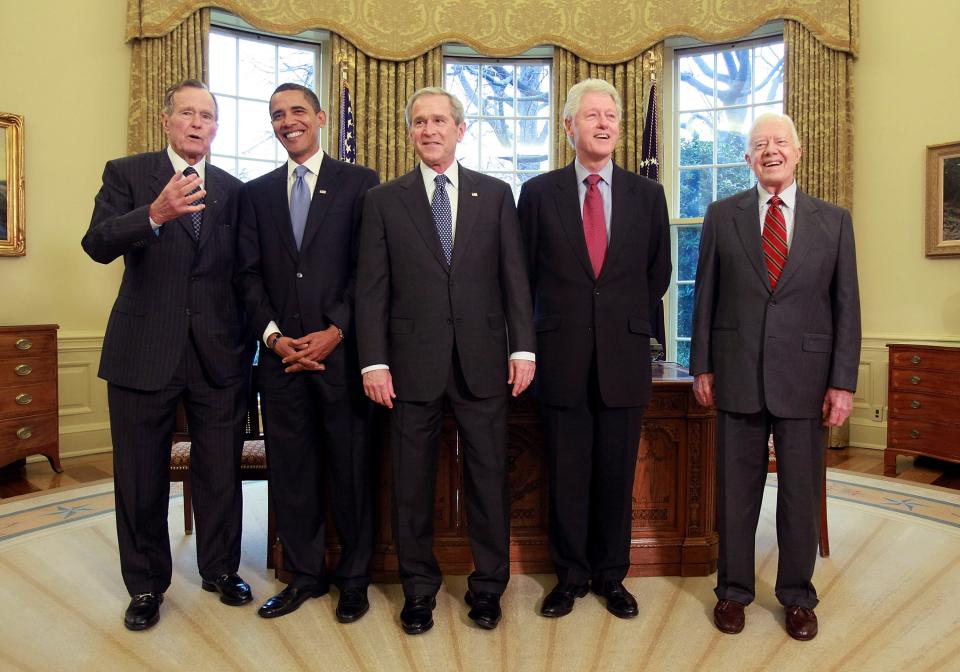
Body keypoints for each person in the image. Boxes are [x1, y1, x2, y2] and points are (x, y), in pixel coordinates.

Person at [355, 87, 536, 635]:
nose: (429, 130)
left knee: (487, 479)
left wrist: (522, 346)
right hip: (410, 364)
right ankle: (418, 590)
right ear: (410, 132)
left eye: (439, 121)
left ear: (460, 129)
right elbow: (371, 289)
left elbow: (515, 280)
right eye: (419, 122)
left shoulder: (496, 193)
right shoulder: (384, 200)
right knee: (411, 483)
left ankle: (488, 588)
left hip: (484, 361)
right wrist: (373, 363)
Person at [82, 79, 252, 631]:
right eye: (187, 113)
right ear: (165, 121)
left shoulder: (234, 189)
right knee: (139, 476)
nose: (198, 123)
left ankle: (221, 569)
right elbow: (97, 244)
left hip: (219, 356)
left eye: (207, 115)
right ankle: (146, 585)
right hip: (142, 351)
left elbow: (243, 274)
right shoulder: (127, 174)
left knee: (221, 471)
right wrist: (152, 215)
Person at [689, 112, 860, 641]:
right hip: (737, 374)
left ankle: (797, 597)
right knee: (736, 493)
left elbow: (846, 306)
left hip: (807, 381)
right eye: (759, 144)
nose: (770, 151)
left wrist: (843, 382)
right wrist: (702, 365)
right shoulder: (723, 215)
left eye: (779, 143)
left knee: (799, 496)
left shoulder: (833, 221)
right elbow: (706, 295)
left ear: (798, 151)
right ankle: (733, 592)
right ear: (747, 157)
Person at [517, 79, 671, 620]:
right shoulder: (537, 194)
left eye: (611, 116)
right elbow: (523, 275)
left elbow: (659, 273)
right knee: (567, 475)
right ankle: (569, 576)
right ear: (568, 128)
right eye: (591, 116)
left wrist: (615, 321)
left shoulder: (648, 195)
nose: (603, 123)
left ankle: (611, 577)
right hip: (559, 359)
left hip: (623, 360)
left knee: (615, 475)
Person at [235, 83, 379, 622]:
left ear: (320, 118)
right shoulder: (257, 192)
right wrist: (273, 337)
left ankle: (355, 580)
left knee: (350, 471)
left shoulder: (360, 183)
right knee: (292, 474)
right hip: (280, 359)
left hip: (340, 357)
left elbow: (369, 270)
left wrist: (336, 330)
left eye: (297, 111)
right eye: (277, 115)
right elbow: (247, 276)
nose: (287, 121)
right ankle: (304, 576)